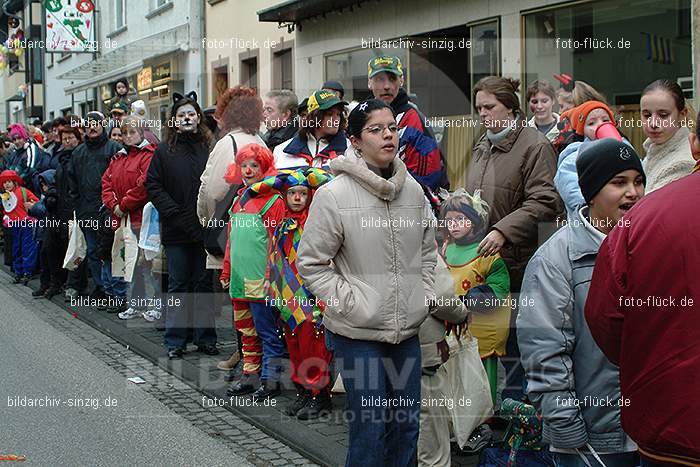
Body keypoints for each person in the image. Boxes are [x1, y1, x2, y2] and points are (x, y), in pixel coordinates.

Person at [297, 99, 437, 467]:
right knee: (371, 429)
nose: (388, 135)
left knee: (406, 427)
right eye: (375, 130)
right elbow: (312, 264)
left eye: (392, 127)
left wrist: (422, 295)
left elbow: (427, 253)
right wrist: (349, 302)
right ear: (355, 141)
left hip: (407, 331)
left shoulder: (414, 192)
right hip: (359, 334)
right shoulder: (333, 195)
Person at [520, 138, 645, 466]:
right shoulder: (555, 259)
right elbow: (544, 348)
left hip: (649, 433)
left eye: (638, 181)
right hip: (591, 438)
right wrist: (565, 425)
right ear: (590, 193)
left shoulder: (650, 246)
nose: (632, 192)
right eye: (619, 183)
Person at [584, 125, 700, 466]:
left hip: (669, 424)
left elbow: (605, 317)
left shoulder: (641, 220)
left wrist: (649, 358)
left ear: (694, 144)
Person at [243, 167, 334, 418]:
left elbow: (330, 180)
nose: (296, 198)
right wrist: (270, 286)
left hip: (311, 298)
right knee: (294, 345)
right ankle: (303, 390)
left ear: (310, 195)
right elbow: (274, 257)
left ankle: (319, 395)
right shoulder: (282, 225)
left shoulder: (316, 224)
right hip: (286, 298)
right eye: (292, 192)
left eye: (302, 193)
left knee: (314, 346)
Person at [145, 91, 218, 359]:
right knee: (178, 284)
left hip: (204, 229)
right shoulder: (164, 150)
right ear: (174, 121)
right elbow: (152, 184)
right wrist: (171, 211)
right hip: (176, 229)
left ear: (198, 118)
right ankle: (176, 339)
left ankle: (205, 338)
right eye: (181, 115)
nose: (186, 118)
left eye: (191, 114)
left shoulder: (210, 148)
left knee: (203, 283)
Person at [220, 144, 286, 399]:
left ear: (265, 167)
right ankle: (250, 375)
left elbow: (277, 245)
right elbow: (231, 241)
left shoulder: (273, 200)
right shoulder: (239, 199)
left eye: (254, 165)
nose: (247, 170)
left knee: (267, 332)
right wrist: (226, 271)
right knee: (246, 332)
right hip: (239, 279)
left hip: (261, 280)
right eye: (244, 165)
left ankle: (271, 380)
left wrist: (273, 279)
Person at [439, 189, 510, 408]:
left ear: (475, 221)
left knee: (480, 374)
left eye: (461, 219)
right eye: (450, 221)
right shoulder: (447, 249)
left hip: (479, 329)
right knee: (456, 372)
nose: (455, 225)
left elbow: (499, 285)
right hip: (453, 327)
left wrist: (477, 297)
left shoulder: (486, 252)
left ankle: (483, 418)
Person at [197, 86, 267, 270]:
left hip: (229, 238)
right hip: (258, 236)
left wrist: (207, 221)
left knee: (225, 294)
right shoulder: (262, 143)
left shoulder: (228, 144)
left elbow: (212, 192)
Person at [101, 116, 157, 320]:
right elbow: (106, 183)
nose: (128, 136)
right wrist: (113, 205)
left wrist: (122, 205)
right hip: (123, 219)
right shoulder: (118, 157)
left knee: (148, 263)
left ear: (141, 133)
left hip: (144, 218)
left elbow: (143, 185)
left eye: (132, 132)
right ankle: (136, 304)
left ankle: (155, 304)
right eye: (124, 133)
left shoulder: (149, 155)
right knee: (130, 262)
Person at [417, 253, 469, 467]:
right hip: (421, 348)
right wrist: (462, 314)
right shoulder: (419, 242)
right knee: (428, 416)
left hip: (374, 347)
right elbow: (442, 299)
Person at [66, 111, 123, 303]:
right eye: (89, 124)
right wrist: (78, 207)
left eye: (96, 123)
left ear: (103, 125)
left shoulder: (114, 148)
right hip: (86, 211)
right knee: (92, 252)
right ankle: (100, 287)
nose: (93, 127)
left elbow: (120, 179)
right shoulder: (78, 153)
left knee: (111, 251)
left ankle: (114, 290)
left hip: (109, 211)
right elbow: (71, 184)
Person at [367, 56, 444, 190]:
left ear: (401, 80)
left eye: (392, 79)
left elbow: (428, 180)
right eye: (380, 79)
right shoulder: (363, 117)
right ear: (369, 83)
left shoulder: (413, 119)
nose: (386, 86)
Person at [554, 101, 625, 218]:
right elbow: (570, 188)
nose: (599, 125)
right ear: (582, 132)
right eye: (591, 123)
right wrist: (593, 210)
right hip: (588, 223)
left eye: (605, 120)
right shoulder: (574, 156)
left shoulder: (625, 148)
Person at [640, 79, 696, 192]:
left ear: (682, 114)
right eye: (647, 115)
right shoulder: (653, 151)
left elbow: (651, 207)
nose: (653, 123)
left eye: (663, 115)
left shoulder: (684, 163)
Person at [273, 90, 349, 170]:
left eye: (338, 114)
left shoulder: (350, 149)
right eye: (329, 114)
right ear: (314, 116)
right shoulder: (281, 151)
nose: (336, 119)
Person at [56, 126, 83, 301]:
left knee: (77, 247)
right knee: (67, 246)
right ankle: (67, 281)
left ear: (77, 138)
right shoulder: (61, 158)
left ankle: (75, 285)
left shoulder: (80, 155)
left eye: (70, 138)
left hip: (77, 208)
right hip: (62, 209)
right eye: (64, 138)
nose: (67, 141)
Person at [1, 169, 39, 284]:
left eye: (9, 181)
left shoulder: (23, 191)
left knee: (28, 248)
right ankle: (18, 272)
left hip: (26, 224)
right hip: (13, 226)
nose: (7, 184)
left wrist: (32, 206)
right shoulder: (4, 196)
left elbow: (37, 203)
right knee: (16, 249)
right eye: (4, 182)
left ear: (15, 182)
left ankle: (27, 272)